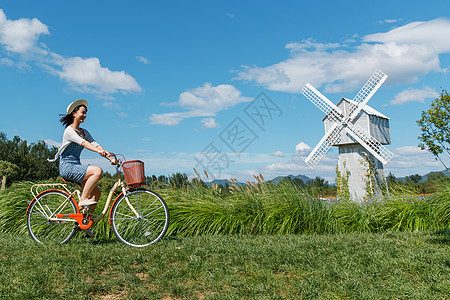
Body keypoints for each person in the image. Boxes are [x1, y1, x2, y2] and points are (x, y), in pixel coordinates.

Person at [49, 99, 113, 237]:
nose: (85, 115)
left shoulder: (84, 131)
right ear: (74, 113)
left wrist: (109, 156)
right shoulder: (69, 131)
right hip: (67, 166)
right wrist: (98, 152)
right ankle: (83, 199)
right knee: (97, 171)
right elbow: (84, 144)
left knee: (96, 193)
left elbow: (95, 144)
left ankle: (85, 225)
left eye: (86, 113)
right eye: (82, 112)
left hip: (76, 166)